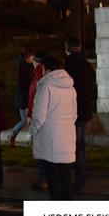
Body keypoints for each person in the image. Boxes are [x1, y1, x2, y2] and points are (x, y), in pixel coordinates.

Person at [31, 57, 78, 200]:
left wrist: (33, 131)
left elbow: (39, 115)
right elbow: (74, 114)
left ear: (46, 68)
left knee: (53, 178)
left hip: (50, 138)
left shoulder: (45, 86)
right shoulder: (70, 87)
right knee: (65, 176)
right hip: (66, 137)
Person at [63, 36, 96, 193]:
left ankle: (78, 182)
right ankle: (82, 181)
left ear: (67, 48)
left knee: (74, 148)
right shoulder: (87, 65)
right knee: (81, 147)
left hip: (73, 112)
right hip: (85, 111)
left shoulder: (68, 65)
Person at [28, 52, 48, 190]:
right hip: (42, 117)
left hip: (38, 118)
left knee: (41, 151)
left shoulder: (38, 76)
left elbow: (34, 99)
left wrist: (30, 115)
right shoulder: (42, 75)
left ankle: (43, 180)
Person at [8, 49, 34, 147]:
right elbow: (22, 83)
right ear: (28, 57)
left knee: (30, 120)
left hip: (26, 97)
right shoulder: (23, 68)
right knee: (25, 121)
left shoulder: (26, 66)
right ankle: (12, 134)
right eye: (32, 57)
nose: (33, 59)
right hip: (23, 97)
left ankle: (33, 140)